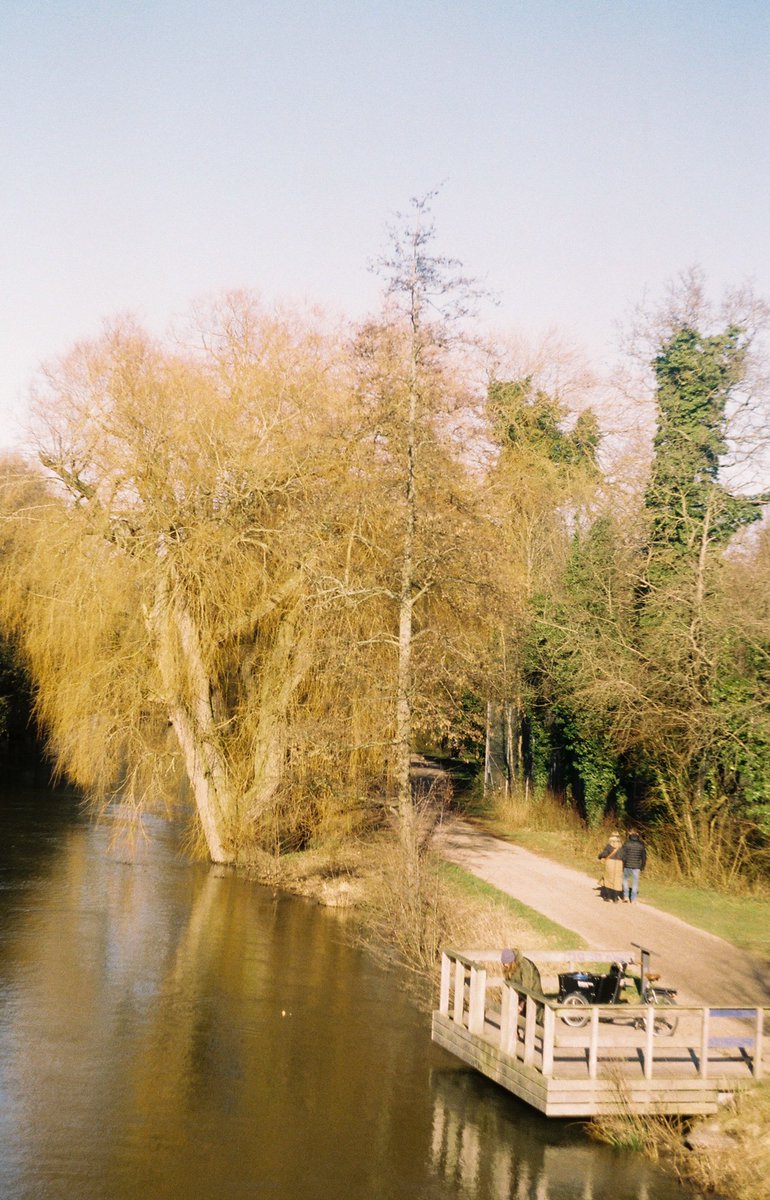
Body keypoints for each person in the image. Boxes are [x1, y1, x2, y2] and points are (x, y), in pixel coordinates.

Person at [618, 829, 647, 902]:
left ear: (630, 835)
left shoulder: (626, 843)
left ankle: (626, 896)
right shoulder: (641, 844)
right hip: (637, 866)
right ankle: (633, 899)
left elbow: (622, 855)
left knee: (625, 880)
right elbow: (644, 857)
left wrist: (623, 864)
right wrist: (642, 866)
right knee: (635, 882)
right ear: (637, 835)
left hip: (627, 865)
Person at [597, 831, 623, 902]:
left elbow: (604, 854)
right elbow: (624, 856)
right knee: (617, 880)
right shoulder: (621, 846)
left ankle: (608, 897)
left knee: (608, 879)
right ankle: (615, 898)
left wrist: (600, 856)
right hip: (619, 863)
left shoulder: (609, 846)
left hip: (610, 862)